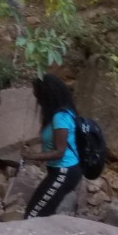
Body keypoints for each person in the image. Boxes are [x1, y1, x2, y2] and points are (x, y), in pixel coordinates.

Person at [21, 73, 82, 218]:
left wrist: (32, 156)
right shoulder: (60, 114)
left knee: (34, 215)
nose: (37, 100)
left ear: (47, 95)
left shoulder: (60, 117)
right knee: (40, 212)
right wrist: (34, 142)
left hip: (64, 172)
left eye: (38, 96)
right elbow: (55, 137)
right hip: (60, 171)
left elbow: (59, 151)